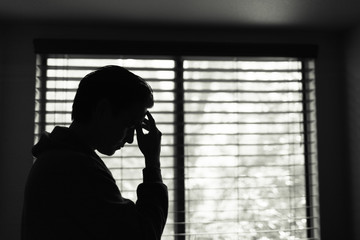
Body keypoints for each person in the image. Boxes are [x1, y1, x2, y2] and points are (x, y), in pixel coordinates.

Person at [21, 65, 168, 240]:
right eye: (128, 125)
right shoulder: (76, 169)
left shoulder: (58, 158)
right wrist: (152, 161)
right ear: (103, 111)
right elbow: (143, 235)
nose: (130, 139)